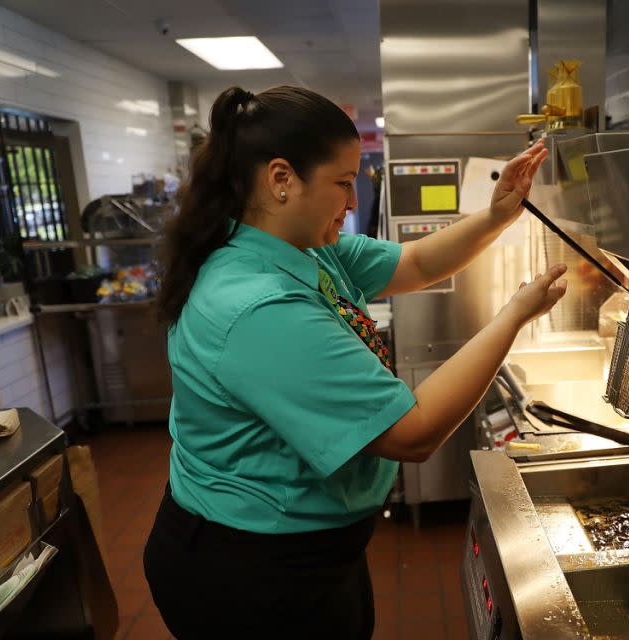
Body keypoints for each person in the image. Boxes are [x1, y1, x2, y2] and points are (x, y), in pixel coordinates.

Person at [143, 85, 565, 639]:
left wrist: (496, 216)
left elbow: (413, 262)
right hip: (248, 569)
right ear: (280, 180)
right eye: (342, 184)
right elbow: (411, 433)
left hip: (309, 547)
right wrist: (514, 315)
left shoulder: (303, 248)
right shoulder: (256, 307)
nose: (350, 201)